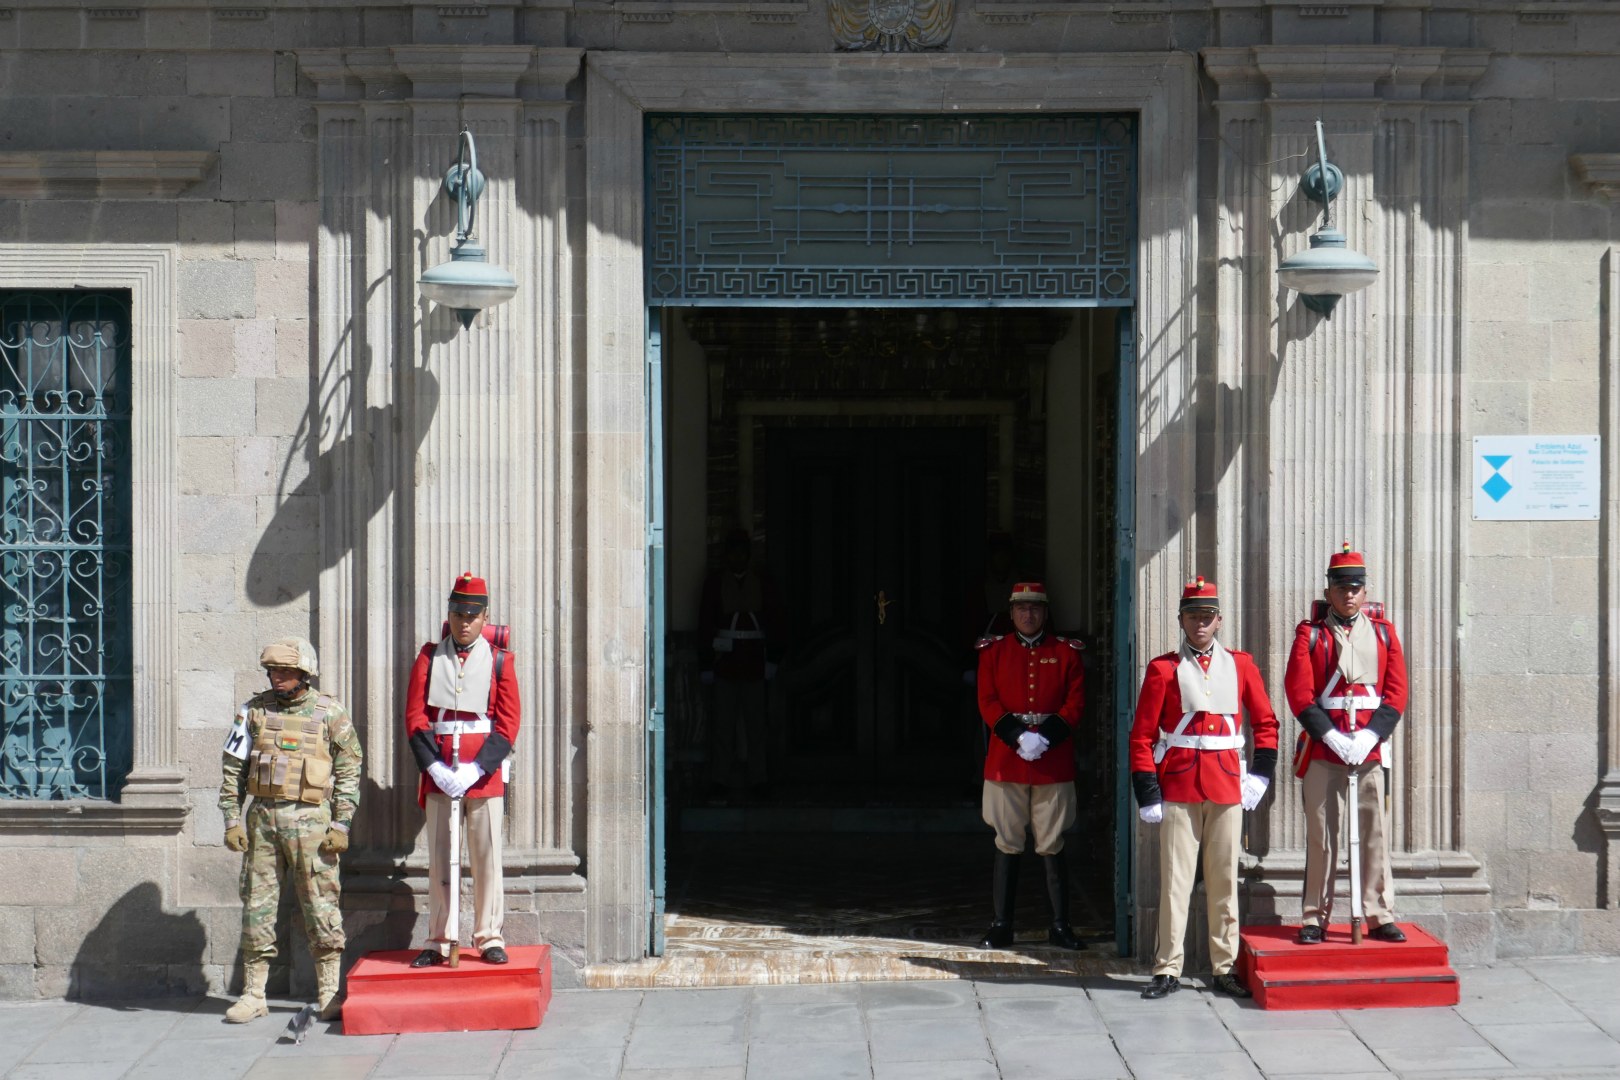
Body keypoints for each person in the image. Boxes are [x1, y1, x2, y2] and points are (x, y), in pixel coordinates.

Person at [1129, 577, 1278, 999]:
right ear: (1181, 620)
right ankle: (1167, 968)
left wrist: (1260, 774)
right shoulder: (1163, 669)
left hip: (1227, 783)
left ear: (1219, 621)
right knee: (1174, 882)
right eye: (1193, 616)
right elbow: (1141, 735)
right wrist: (1147, 790)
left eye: (1208, 616)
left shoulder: (1242, 665)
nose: (1200, 623)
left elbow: (1266, 723)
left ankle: (1224, 967)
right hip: (1178, 783)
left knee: (1223, 881)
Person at [220, 637, 362, 1023]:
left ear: (304, 673)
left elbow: (349, 772)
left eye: (285, 672)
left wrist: (341, 824)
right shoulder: (253, 712)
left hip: (314, 825)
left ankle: (329, 992)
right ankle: (254, 994)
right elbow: (233, 769)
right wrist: (232, 820)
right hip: (263, 822)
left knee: (321, 905)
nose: (277, 677)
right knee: (257, 907)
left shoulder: (331, 714)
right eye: (273, 671)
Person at [1286, 544, 1409, 945]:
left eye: (1356, 587)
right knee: (1322, 835)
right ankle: (1313, 917)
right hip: (1326, 746)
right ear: (1329, 591)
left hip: (1369, 746)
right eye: (1342, 587)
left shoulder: (1385, 633)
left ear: (1365, 590)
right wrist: (1333, 736)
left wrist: (1372, 735)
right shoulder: (1312, 634)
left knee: (1374, 832)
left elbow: (1396, 692)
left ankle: (1378, 913)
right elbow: (1299, 694)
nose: (1349, 594)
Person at [405, 573, 521, 966]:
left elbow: (507, 724)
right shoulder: (428, 657)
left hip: (482, 776)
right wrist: (434, 767)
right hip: (440, 773)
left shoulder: (501, 661)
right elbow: (415, 718)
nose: (464, 621)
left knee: (486, 857)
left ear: (484, 616)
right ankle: (441, 937)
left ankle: (489, 935)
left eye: (472, 614)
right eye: (457, 613)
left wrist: (477, 769)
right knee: (440, 858)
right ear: (449, 614)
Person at [974, 582, 1086, 950]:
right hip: (1007, 759)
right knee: (1006, 842)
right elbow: (987, 701)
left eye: (1035, 608)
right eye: (1021, 608)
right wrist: (1018, 735)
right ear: (1011, 613)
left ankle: (1060, 925)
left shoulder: (1065, 653)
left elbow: (1074, 703)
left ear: (1045, 612)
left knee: (1052, 843)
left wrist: (1046, 736)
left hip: (1052, 760)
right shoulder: (994, 652)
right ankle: (1002, 924)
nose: (1028, 614)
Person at [698, 528, 781, 802]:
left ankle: (760, 778)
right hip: (725, 664)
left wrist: (773, 660)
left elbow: (775, 621)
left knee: (756, 725)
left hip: (755, 662)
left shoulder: (763, 583)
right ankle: (719, 779)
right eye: (732, 552)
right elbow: (705, 624)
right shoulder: (714, 584)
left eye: (741, 552)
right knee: (723, 725)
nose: (737, 558)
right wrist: (706, 665)